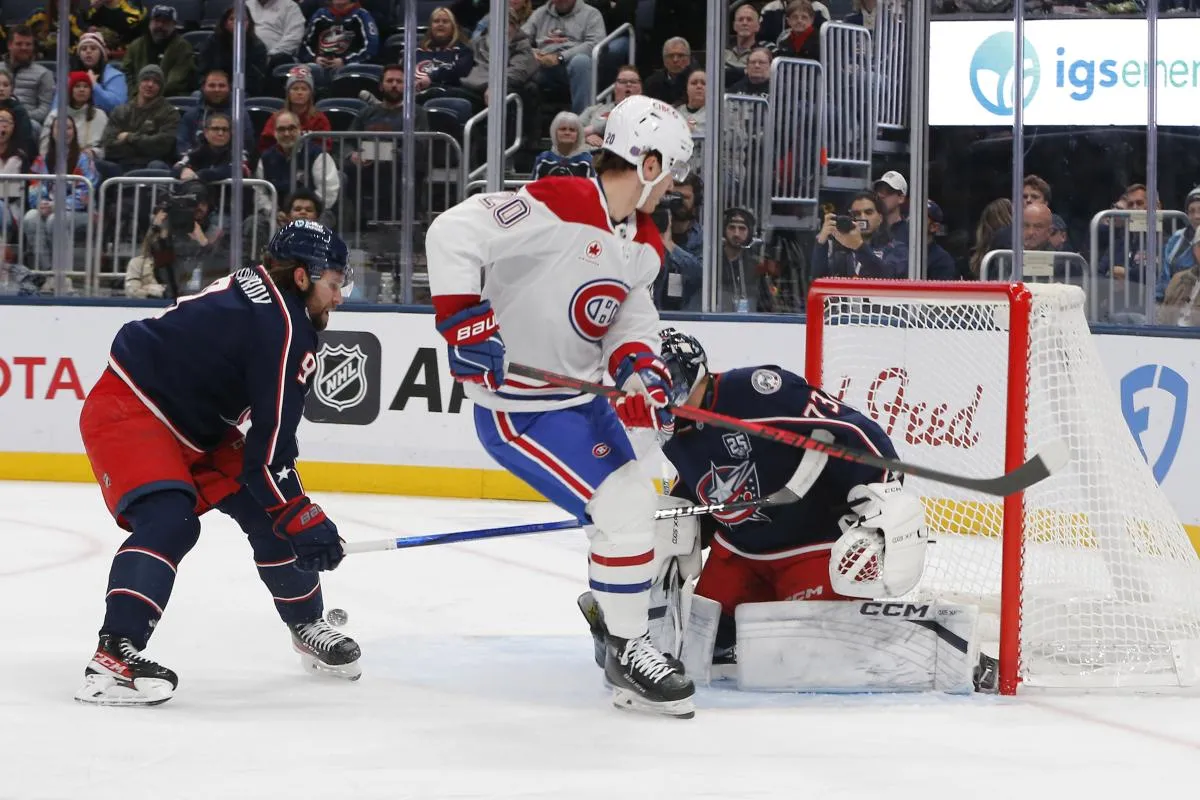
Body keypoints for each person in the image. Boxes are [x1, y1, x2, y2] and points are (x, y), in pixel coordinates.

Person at [425, 95, 697, 718]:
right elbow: (453, 233)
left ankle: (611, 612)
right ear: (648, 162)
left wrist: (638, 363)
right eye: (672, 171)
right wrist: (466, 324)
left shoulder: (643, 241)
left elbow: (630, 310)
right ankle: (630, 650)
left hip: (578, 399)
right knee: (626, 504)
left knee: (640, 494)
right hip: (520, 410)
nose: (675, 187)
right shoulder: (561, 203)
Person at [75, 220, 358, 707]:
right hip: (133, 406)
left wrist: (292, 514)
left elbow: (264, 460)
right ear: (301, 277)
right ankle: (114, 656)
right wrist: (305, 516)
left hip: (198, 425)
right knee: (170, 521)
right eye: (334, 283)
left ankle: (306, 621)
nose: (339, 297)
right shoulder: (287, 330)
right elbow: (272, 449)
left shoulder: (257, 286)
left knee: (272, 514)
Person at [627, 330, 983, 693]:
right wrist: (683, 521)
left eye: (661, 378)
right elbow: (700, 476)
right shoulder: (668, 428)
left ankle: (934, 650)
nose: (653, 392)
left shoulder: (754, 391)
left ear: (688, 372)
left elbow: (852, 427)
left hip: (811, 547)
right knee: (700, 646)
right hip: (739, 553)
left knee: (811, 657)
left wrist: (881, 491)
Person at [23, 116, 99, 271]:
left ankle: (64, 274)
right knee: (30, 217)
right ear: (52, 132)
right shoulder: (41, 159)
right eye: (59, 128)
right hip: (50, 209)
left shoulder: (84, 159)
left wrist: (56, 205)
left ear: (74, 132)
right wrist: (40, 203)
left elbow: (86, 192)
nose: (64, 132)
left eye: (69, 128)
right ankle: (46, 272)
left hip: (81, 212)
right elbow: (34, 188)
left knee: (54, 219)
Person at [811, 191, 907, 279]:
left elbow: (888, 277)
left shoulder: (896, 248)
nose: (863, 218)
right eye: (856, 214)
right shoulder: (842, 252)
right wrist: (821, 243)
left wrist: (859, 247)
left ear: (880, 218)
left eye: (868, 212)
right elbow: (820, 281)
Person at [121, 6, 196, 99]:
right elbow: (126, 72)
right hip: (136, 97)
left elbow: (176, 80)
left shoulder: (183, 47)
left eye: (165, 22)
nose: (160, 25)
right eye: (156, 21)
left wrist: (149, 94)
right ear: (150, 23)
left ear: (174, 25)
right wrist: (136, 94)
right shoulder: (136, 45)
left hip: (169, 98)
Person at [40, 72, 109, 159]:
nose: (82, 90)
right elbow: (44, 146)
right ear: (70, 90)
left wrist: (93, 153)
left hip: (91, 161)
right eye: (77, 86)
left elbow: (106, 147)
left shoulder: (100, 115)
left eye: (86, 86)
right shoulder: (56, 115)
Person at [68, 31, 127, 114]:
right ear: (79, 55)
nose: (88, 51)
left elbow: (118, 107)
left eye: (93, 48)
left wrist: (95, 86)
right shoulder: (69, 77)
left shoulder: (115, 76)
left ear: (101, 53)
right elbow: (57, 106)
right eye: (84, 49)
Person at [531, 111, 594, 180]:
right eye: (563, 129)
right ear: (555, 132)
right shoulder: (543, 159)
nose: (567, 133)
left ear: (578, 135)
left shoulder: (587, 161)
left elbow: (594, 189)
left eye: (572, 130)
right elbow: (532, 187)